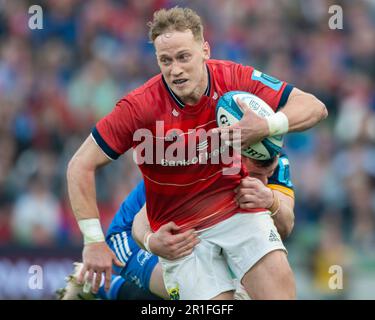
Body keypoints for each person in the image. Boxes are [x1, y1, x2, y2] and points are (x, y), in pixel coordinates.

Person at [66, 7, 327, 300]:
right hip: (167, 234)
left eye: (183, 57)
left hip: (237, 217)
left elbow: (315, 107)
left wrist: (267, 128)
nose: (175, 70)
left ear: (205, 50)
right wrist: (99, 242)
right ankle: (102, 288)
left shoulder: (240, 92)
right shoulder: (140, 108)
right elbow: (82, 167)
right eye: (165, 60)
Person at [60, 152, 295, 300]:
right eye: (254, 174)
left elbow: (285, 227)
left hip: (195, 238)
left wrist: (271, 201)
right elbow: (141, 222)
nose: (262, 182)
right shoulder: (206, 159)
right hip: (134, 236)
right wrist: (154, 243)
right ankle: (101, 284)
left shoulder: (274, 158)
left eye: (268, 175)